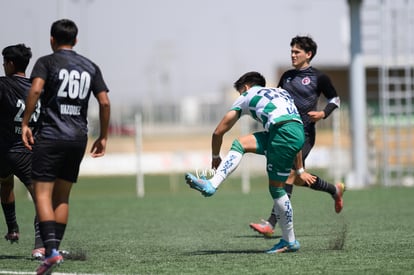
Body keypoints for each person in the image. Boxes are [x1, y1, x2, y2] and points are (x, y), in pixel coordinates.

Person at [21, 19, 110, 275]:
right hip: (78, 138)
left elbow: (36, 90)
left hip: (50, 135)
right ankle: (54, 252)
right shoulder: (90, 66)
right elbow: (104, 103)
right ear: (76, 40)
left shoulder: (46, 62)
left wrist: (26, 122)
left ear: (52, 40)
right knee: (63, 196)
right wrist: (103, 136)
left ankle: (49, 253)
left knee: (41, 194)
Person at [185, 71, 304, 253]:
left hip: (281, 133)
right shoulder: (281, 92)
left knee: (277, 189)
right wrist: (300, 168)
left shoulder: (248, 95)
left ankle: (289, 241)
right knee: (240, 143)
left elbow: (218, 132)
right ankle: (212, 184)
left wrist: (216, 157)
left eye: (241, 92)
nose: (241, 96)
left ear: (246, 87)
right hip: (293, 132)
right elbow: (294, 122)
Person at [249, 35, 345, 237]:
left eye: (297, 52)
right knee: (299, 178)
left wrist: (322, 113)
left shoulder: (320, 78)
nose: (292, 55)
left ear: (308, 54)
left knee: (291, 175)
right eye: (291, 51)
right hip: (284, 133)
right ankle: (334, 190)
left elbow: (335, 99)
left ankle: (271, 223)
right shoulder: (287, 76)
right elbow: (278, 99)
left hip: (305, 134)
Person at [0, 44, 45, 257]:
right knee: (41, 199)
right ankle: (39, 246)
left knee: (5, 181)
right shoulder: (37, 89)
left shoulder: (2, 85)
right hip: (26, 152)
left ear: (9, 64)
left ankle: (13, 229)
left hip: (3, 151)